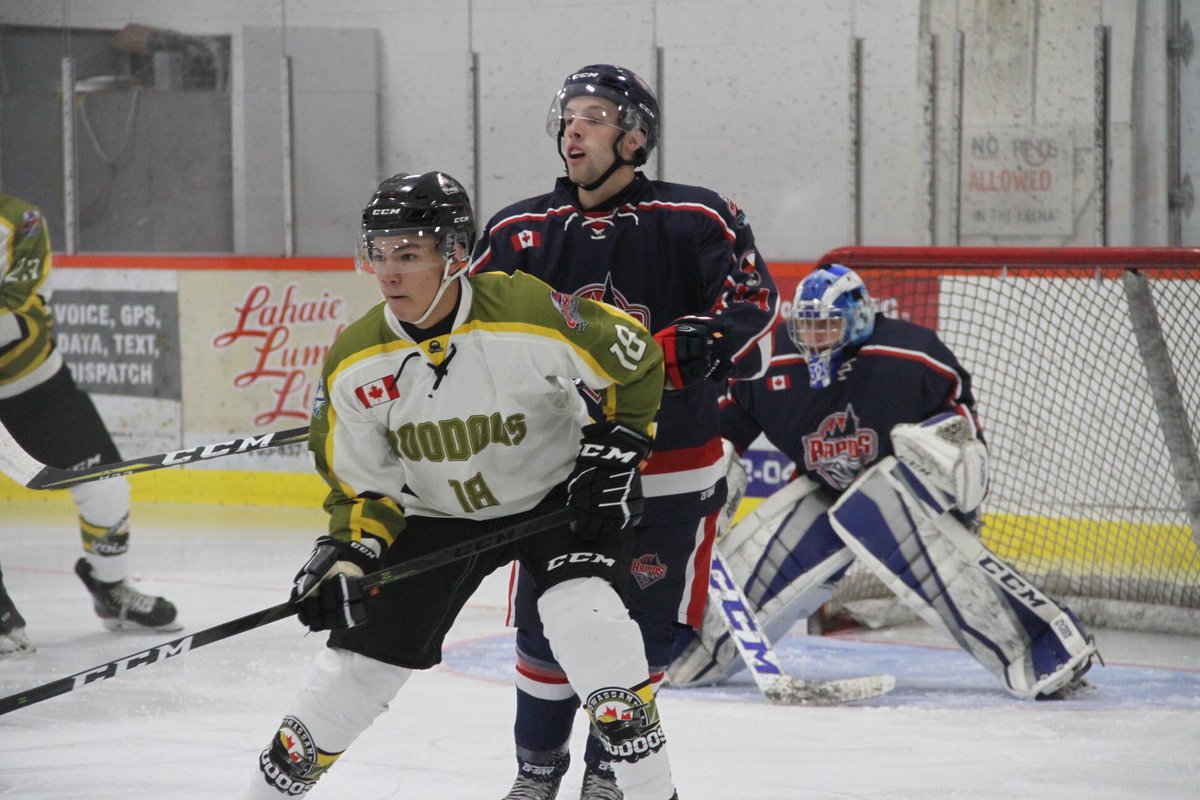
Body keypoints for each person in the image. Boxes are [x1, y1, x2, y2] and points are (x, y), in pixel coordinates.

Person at [244, 171, 680, 800]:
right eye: (379, 253)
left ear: (456, 255)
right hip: (435, 513)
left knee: (589, 628)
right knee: (353, 673)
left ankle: (653, 792)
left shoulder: (526, 310)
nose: (389, 273)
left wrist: (615, 450)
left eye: (409, 254)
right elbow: (363, 488)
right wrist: (349, 551)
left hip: (554, 500)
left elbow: (635, 358)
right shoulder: (354, 360)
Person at [470, 65, 778, 799]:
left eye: (596, 115)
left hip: (672, 472)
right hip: (560, 474)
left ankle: (610, 776)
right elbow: (470, 333)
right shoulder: (519, 232)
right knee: (548, 629)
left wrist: (698, 341)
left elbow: (755, 308)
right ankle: (534, 776)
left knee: (643, 632)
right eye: (567, 114)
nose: (573, 127)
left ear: (635, 137)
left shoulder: (698, 218)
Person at [668, 264, 1099, 700]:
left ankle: (1044, 646)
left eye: (828, 326)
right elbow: (724, 430)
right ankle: (695, 647)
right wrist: (708, 477)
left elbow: (962, 436)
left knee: (873, 509)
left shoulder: (910, 356)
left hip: (906, 499)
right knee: (777, 542)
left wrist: (950, 458)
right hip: (825, 491)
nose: (814, 338)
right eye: (807, 326)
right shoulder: (769, 363)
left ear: (856, 320)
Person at [0, 193, 179, 658]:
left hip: (37, 386)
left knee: (105, 484)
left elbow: (17, 314)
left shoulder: (21, 220)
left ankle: (111, 587)